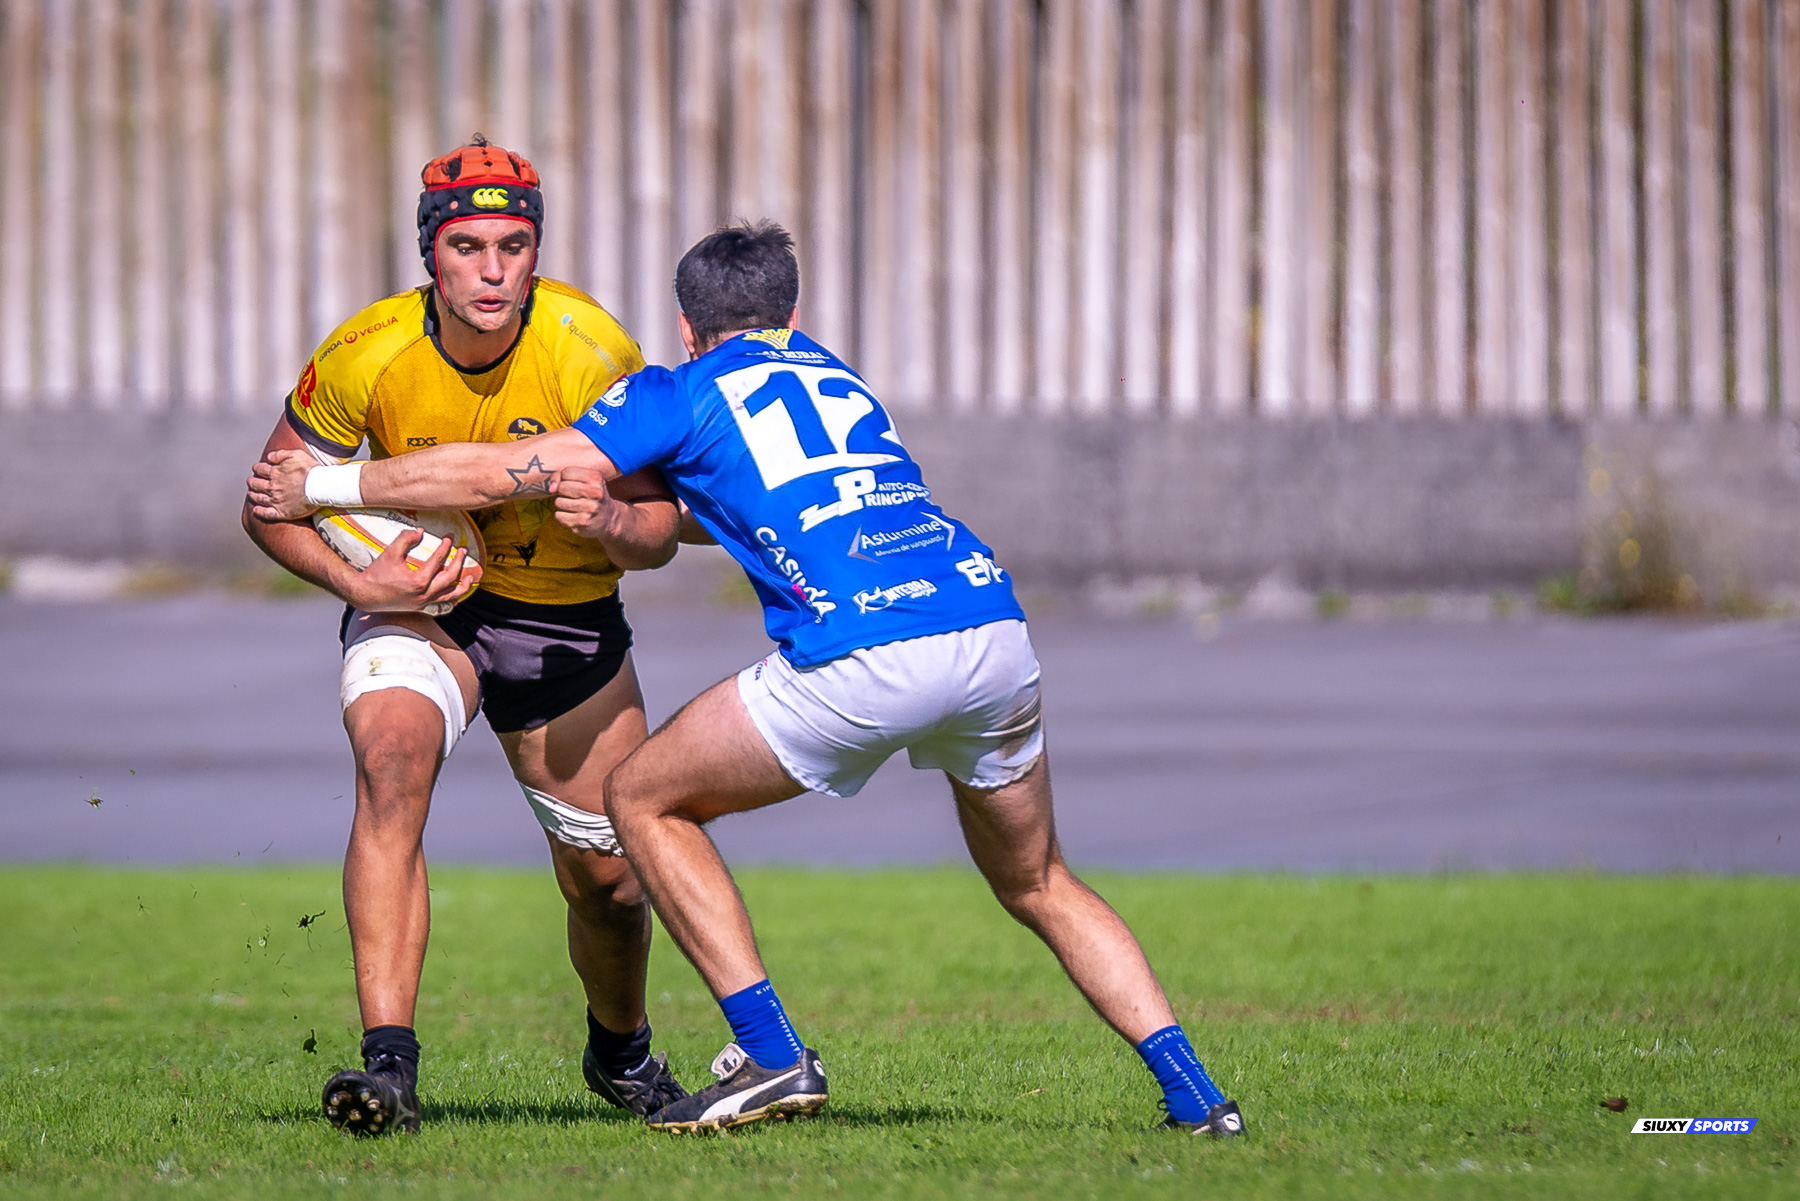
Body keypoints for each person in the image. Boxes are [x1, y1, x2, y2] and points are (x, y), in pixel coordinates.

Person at [250, 221, 1246, 1138]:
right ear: (793, 315)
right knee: (1038, 879)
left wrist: (326, 484)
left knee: (640, 795)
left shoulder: (677, 391)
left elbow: (501, 475)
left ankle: (770, 1056)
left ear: (687, 326)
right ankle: (1199, 1099)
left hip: (869, 648)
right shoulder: (839, 377)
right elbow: (711, 507)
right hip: (992, 631)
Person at [240, 137, 689, 1136]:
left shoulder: (590, 349)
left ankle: (619, 1051)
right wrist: (361, 578)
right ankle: (387, 1066)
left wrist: (616, 522)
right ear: (429, 253)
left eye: (514, 245)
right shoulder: (367, 351)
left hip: (564, 617)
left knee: (611, 879)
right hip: (418, 606)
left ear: (537, 251)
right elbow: (268, 503)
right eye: (469, 245)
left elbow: (662, 528)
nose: (492, 270)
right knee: (391, 765)